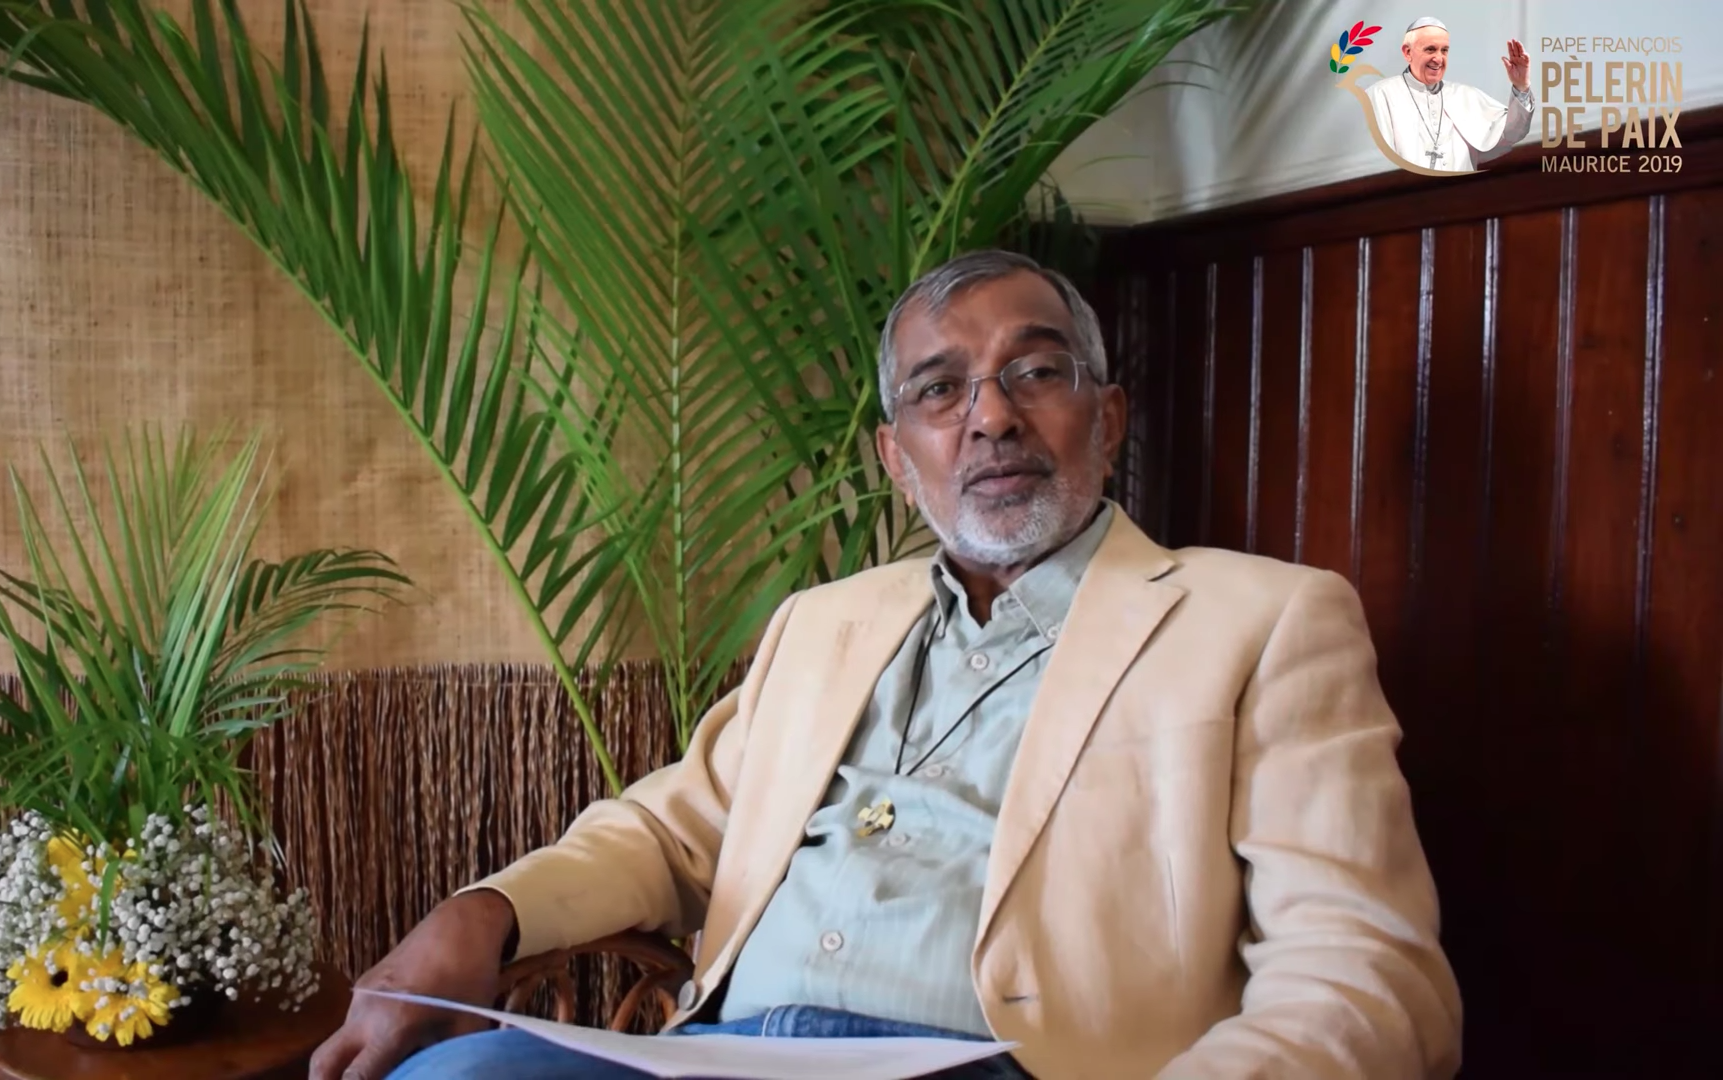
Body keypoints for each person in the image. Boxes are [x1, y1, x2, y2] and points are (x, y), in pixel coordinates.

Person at [311, 250, 1463, 1080]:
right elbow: (672, 829)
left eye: (1036, 372)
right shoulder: (825, 622)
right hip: (723, 1056)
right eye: (939, 389)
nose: (991, 418)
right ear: (897, 460)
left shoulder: (1262, 621)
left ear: (1107, 421)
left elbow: (1368, 976)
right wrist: (486, 912)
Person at [1369, 16, 1533, 171]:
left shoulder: (1465, 96)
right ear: (1408, 52)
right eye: (1430, 50)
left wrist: (1521, 86)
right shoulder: (1382, 94)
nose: (1438, 59)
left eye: (1444, 50)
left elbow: (1512, 133)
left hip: (1461, 190)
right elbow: (1376, 164)